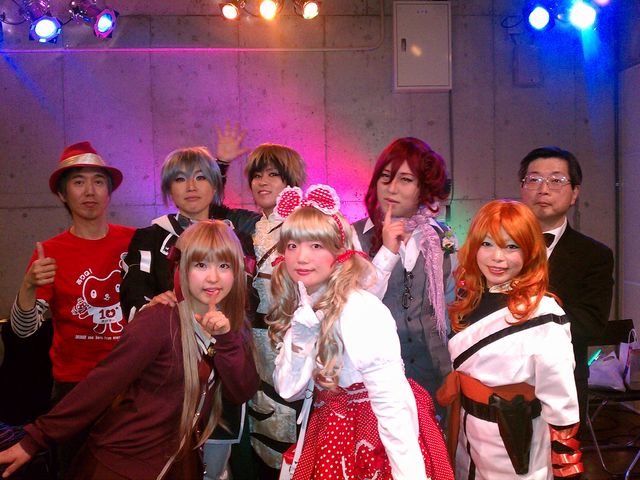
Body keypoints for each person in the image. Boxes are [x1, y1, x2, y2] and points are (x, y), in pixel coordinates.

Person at [0, 220, 259, 480]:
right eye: (201, 265)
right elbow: (101, 384)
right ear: (181, 268)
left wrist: (227, 339)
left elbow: (242, 390)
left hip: (176, 463)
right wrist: (36, 438)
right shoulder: (159, 319)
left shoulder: (229, 324)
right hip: (123, 464)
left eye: (224, 265)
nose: (213, 277)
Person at [268, 184, 453, 480]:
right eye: (292, 245)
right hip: (328, 430)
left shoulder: (359, 307)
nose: (301, 257)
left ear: (340, 252)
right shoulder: (306, 306)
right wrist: (302, 334)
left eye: (316, 245)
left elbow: (392, 402)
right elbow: (288, 390)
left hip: (371, 436)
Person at [120, 140, 260, 479]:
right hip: (167, 371)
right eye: (180, 179)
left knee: (216, 466)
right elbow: (133, 292)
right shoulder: (150, 237)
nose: (191, 186)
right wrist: (155, 306)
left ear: (215, 184)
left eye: (200, 177)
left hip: (221, 368)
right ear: (169, 188)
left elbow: (248, 298)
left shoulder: (238, 238)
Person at [9, 141, 135, 477]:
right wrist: (28, 286)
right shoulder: (50, 252)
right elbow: (24, 330)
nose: (89, 191)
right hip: (75, 388)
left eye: (98, 181)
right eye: (78, 182)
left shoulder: (135, 242)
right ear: (63, 194)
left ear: (109, 192)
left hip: (132, 382)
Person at [436, 200, 583, 480]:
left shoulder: (543, 313)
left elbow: (561, 396)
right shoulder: (470, 298)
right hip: (467, 429)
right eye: (487, 244)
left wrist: (566, 463)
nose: (497, 258)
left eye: (511, 246)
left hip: (514, 438)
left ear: (530, 251)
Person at [352, 137, 456, 419]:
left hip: (433, 373)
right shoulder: (354, 235)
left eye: (406, 179)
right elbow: (354, 309)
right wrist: (386, 252)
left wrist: (453, 369)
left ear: (424, 187)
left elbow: (449, 308)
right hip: (376, 376)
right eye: (385, 177)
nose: (392, 188)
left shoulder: (440, 237)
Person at [518, 146, 614, 431]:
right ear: (522, 188)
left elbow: (591, 323)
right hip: (500, 383)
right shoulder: (494, 249)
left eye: (556, 180)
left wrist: (525, 318)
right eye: (534, 179)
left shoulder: (594, 255)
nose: (543, 189)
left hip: (564, 382)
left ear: (574, 194)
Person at [242, 144, 307, 479]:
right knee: (263, 420)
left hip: (297, 339)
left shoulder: (306, 226)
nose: (263, 182)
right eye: (257, 175)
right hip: (256, 342)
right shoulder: (247, 226)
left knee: (295, 426)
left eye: (273, 174)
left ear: (290, 180)